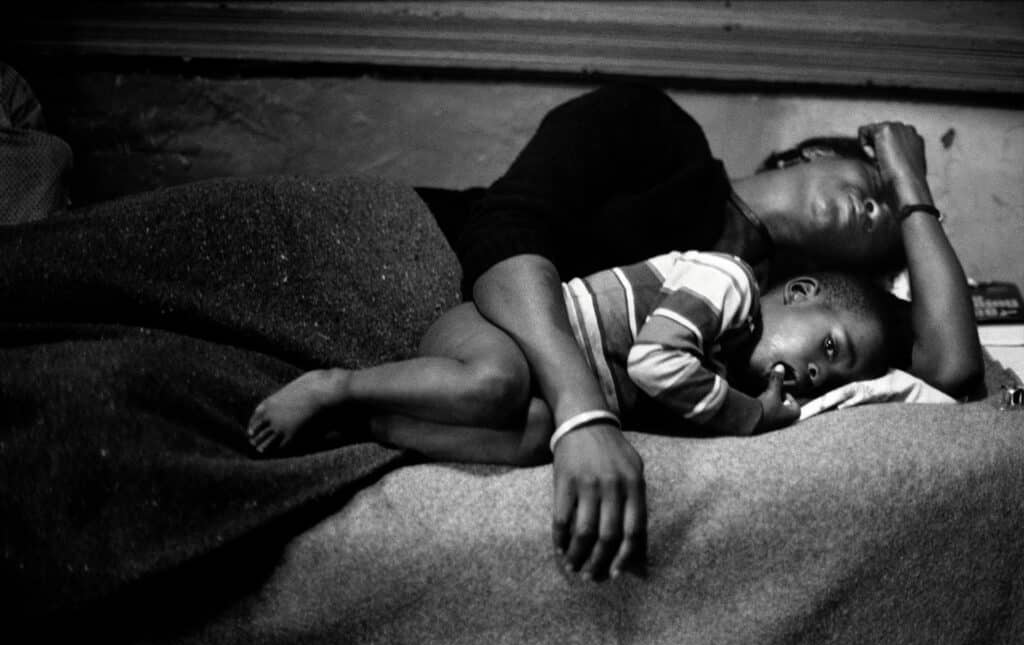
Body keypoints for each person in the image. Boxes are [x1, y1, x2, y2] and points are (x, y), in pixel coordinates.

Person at [281, 83, 982, 582]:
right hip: (394, 253)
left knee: (517, 422)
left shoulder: (754, 341)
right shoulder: (657, 128)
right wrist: (582, 414)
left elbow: (952, 370)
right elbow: (502, 239)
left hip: (480, 373)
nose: (878, 206)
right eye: (871, 181)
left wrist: (912, 186)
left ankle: (364, 415)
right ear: (800, 161)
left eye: (889, 219)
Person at [247, 247, 905, 458]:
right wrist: (751, 417)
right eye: (828, 344)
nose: (816, 371)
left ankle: (371, 427)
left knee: (535, 434)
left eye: (828, 376)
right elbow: (655, 360)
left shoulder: (723, 373)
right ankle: (336, 385)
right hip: (498, 329)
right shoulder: (727, 283)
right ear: (801, 290)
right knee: (499, 386)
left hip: (547, 389)